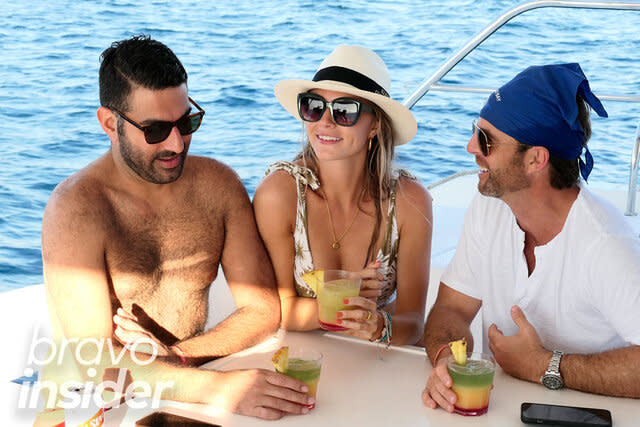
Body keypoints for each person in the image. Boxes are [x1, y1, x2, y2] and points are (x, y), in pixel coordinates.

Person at [41, 35, 313, 420]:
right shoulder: (75, 209)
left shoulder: (217, 186)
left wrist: (180, 357)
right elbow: (94, 360)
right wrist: (218, 387)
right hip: (93, 397)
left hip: (184, 381)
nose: (177, 143)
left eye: (186, 122)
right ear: (109, 123)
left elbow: (263, 308)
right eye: (155, 130)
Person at [422, 63, 640, 411]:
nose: (470, 147)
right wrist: (446, 359)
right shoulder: (488, 208)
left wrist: (546, 366)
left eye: (486, 140)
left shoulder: (605, 245)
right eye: (475, 131)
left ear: (536, 159)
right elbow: (451, 309)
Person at [253, 45, 432, 346]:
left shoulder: (410, 201)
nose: (325, 121)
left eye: (344, 111)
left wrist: (378, 327)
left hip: (374, 363)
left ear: (375, 125)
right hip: (296, 359)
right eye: (314, 106)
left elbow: (413, 323)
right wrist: (346, 300)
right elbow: (275, 310)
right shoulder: (279, 194)